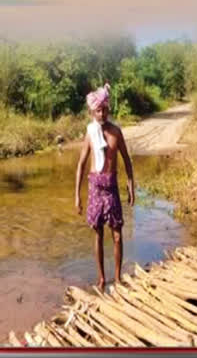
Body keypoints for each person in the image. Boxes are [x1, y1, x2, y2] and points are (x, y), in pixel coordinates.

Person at [75, 83, 135, 291]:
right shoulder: (90, 133)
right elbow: (81, 165)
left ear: (109, 109)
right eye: (98, 110)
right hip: (95, 188)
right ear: (92, 112)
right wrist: (77, 196)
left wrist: (131, 187)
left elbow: (127, 160)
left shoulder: (116, 132)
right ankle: (102, 279)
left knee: (117, 235)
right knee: (98, 234)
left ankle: (117, 278)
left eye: (105, 109)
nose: (102, 113)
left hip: (111, 187)